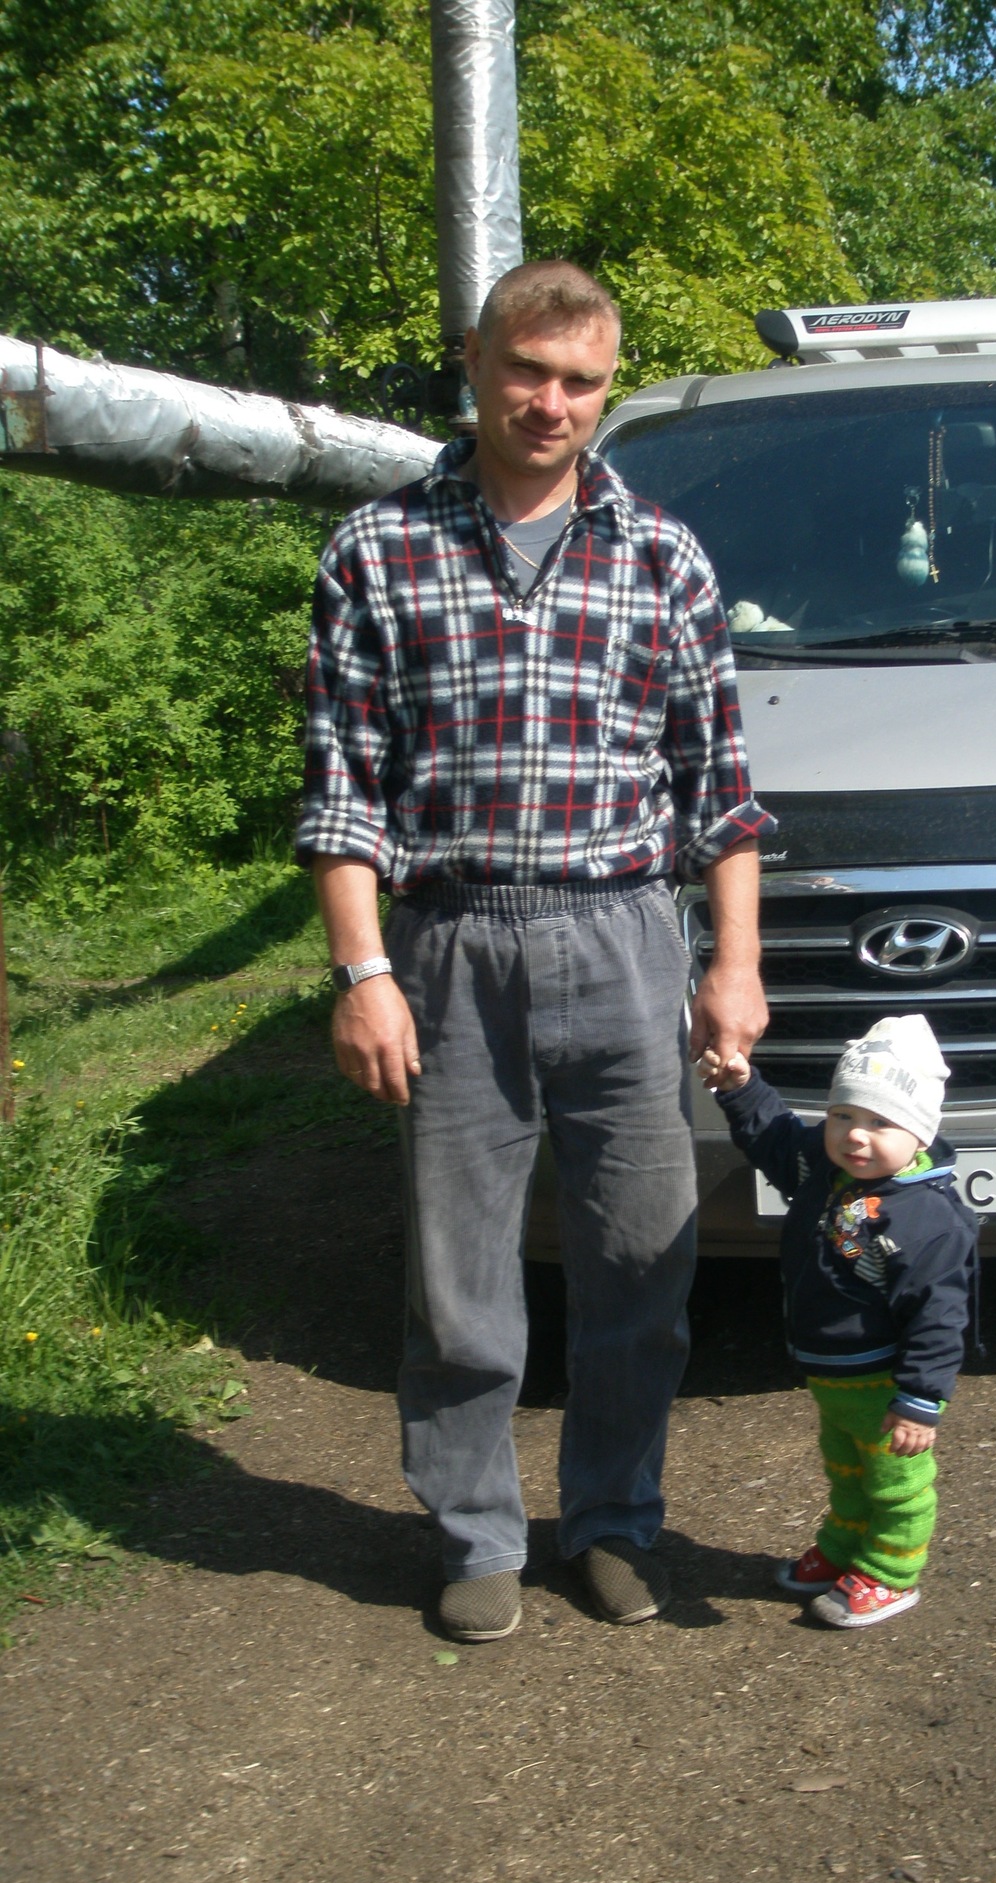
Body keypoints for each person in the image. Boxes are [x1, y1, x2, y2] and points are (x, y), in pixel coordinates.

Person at [296, 260, 773, 1643]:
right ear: (474, 359)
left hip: (625, 942)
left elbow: (721, 789)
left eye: (580, 381)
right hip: (450, 948)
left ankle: (615, 1519)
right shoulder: (378, 550)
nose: (550, 402)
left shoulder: (663, 554)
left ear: (606, 389)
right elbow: (342, 791)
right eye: (527, 370)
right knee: (458, 1280)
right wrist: (362, 973)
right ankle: (476, 1536)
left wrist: (733, 965)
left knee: (641, 1264)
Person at [701, 1016, 978, 1628]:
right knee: (847, 1471)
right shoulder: (824, 1173)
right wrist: (739, 1087)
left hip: (883, 1384)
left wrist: (920, 1398)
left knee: (897, 1483)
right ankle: (845, 1544)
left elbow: (939, 1316)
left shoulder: (925, 1218)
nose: (856, 1134)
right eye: (843, 1115)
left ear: (920, 1132)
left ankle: (891, 1571)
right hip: (832, 1377)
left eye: (881, 1122)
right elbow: (774, 1136)